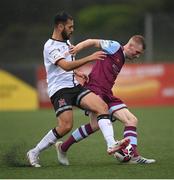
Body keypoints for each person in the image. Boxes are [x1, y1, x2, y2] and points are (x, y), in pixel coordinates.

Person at [27, 12, 129, 167]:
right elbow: (65, 66)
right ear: (60, 26)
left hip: (75, 87)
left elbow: (65, 68)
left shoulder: (67, 44)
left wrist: (77, 73)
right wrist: (89, 58)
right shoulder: (50, 46)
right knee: (65, 126)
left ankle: (111, 145)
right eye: (70, 27)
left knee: (102, 107)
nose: (72, 30)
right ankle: (34, 152)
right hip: (59, 91)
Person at [56, 35, 156, 165]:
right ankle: (63, 148)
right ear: (130, 46)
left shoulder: (122, 58)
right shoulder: (114, 47)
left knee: (130, 120)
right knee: (96, 125)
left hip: (107, 94)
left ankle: (134, 156)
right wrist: (77, 48)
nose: (137, 56)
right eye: (137, 52)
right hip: (94, 90)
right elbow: (92, 41)